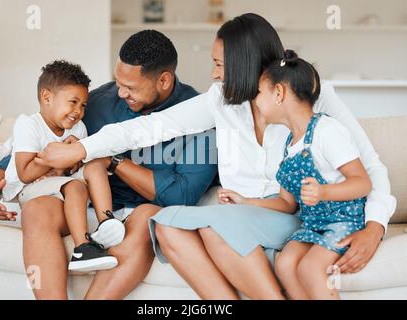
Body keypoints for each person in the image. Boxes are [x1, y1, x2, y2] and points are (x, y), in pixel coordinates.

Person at [35, 13, 396, 300]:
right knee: (166, 225)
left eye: (220, 64)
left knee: (214, 224)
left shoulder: (311, 95)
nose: (214, 74)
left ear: (245, 63)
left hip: (294, 214)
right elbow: (151, 128)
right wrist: (83, 148)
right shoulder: (221, 100)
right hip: (245, 214)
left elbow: (370, 166)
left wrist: (375, 226)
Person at [0, 30, 217, 299]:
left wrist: (112, 161)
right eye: (118, 82)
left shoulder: (201, 119)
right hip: (83, 201)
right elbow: (49, 135)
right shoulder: (103, 101)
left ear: (163, 80)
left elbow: (181, 196)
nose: (121, 92)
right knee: (38, 208)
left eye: (131, 87)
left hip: (137, 213)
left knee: (149, 216)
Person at [219, 50, 372, 299]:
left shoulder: (327, 130)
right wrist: (246, 202)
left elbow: (362, 183)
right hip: (313, 224)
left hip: (343, 221)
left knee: (311, 268)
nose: (254, 102)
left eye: (258, 93)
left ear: (278, 93)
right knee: (285, 263)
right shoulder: (289, 144)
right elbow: (287, 203)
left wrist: (324, 192)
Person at [3, 60, 125, 272]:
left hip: (58, 182)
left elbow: (72, 169)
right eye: (73, 102)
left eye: (83, 105)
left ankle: (106, 221)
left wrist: (69, 161)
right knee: (75, 187)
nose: (78, 111)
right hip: (29, 188)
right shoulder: (29, 124)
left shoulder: (78, 128)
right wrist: (59, 154)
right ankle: (82, 248)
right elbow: (24, 173)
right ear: (47, 97)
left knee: (95, 164)